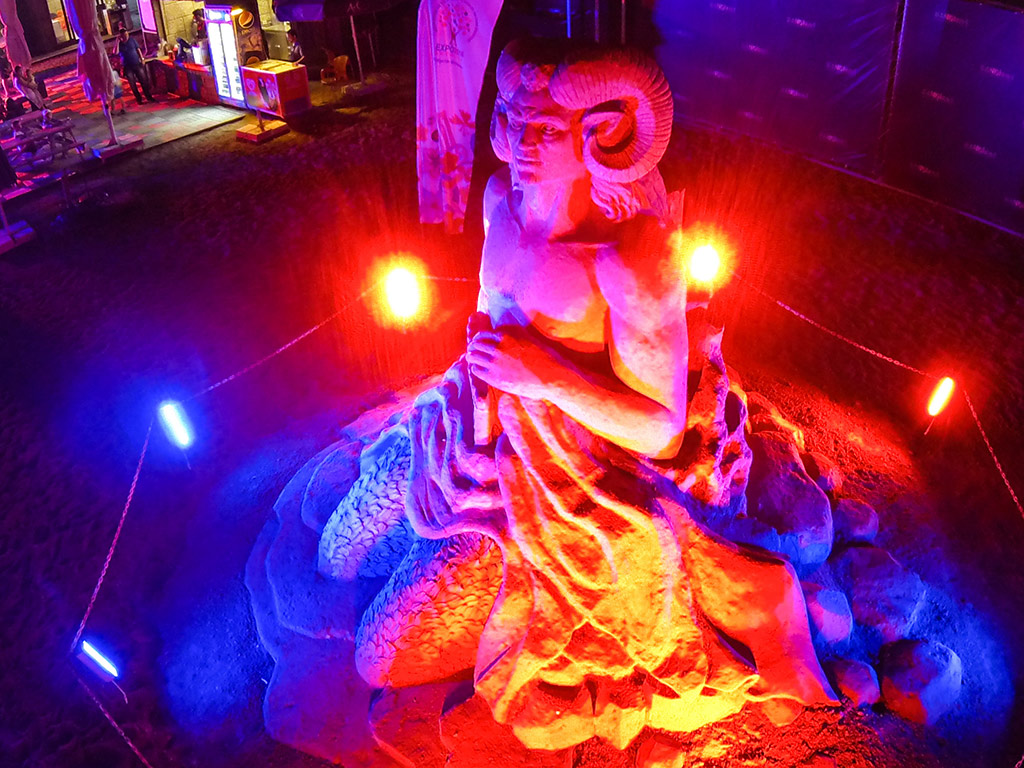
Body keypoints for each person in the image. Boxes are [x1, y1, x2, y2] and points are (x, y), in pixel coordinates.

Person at [310, 38, 837, 751]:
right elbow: (495, 309)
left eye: (546, 129)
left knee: (379, 657)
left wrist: (543, 375)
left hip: (566, 482)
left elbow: (660, 428)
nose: (521, 142)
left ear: (599, 133)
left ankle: (764, 612)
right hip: (478, 428)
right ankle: (367, 553)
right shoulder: (500, 205)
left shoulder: (630, 258)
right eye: (511, 118)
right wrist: (485, 369)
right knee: (345, 540)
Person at [114, 27, 154, 104]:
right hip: (127, 66)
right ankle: (139, 99)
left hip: (136, 63)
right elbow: (115, 52)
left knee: (143, 80)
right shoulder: (120, 44)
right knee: (132, 84)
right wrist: (117, 41)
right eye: (124, 35)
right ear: (121, 36)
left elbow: (138, 49)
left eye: (127, 34)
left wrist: (142, 58)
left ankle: (148, 97)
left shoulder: (132, 40)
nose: (126, 36)